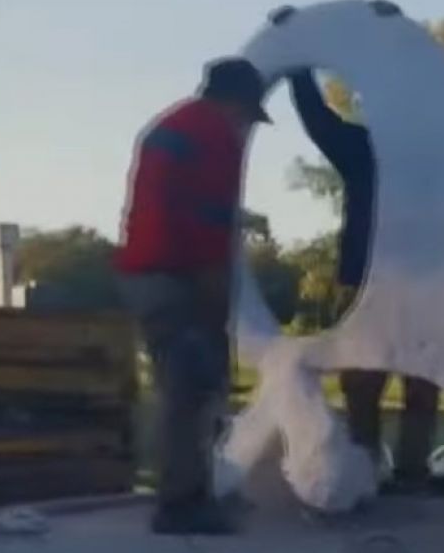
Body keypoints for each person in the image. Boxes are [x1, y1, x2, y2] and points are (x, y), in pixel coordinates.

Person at [116, 57, 271, 535]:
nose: (247, 126)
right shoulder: (215, 135)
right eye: (249, 114)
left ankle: (188, 495)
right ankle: (181, 505)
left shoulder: (171, 124)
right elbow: (206, 220)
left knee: (182, 386)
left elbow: (168, 206)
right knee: (188, 390)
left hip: (146, 273)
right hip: (175, 278)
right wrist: (213, 291)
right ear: (237, 102)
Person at [288, 67, 440, 489]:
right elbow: (319, 122)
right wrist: (300, 73)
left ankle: (411, 475)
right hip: (366, 285)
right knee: (362, 385)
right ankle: (364, 472)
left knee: (421, 384)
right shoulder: (361, 148)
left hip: (421, 287)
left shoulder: (434, 160)